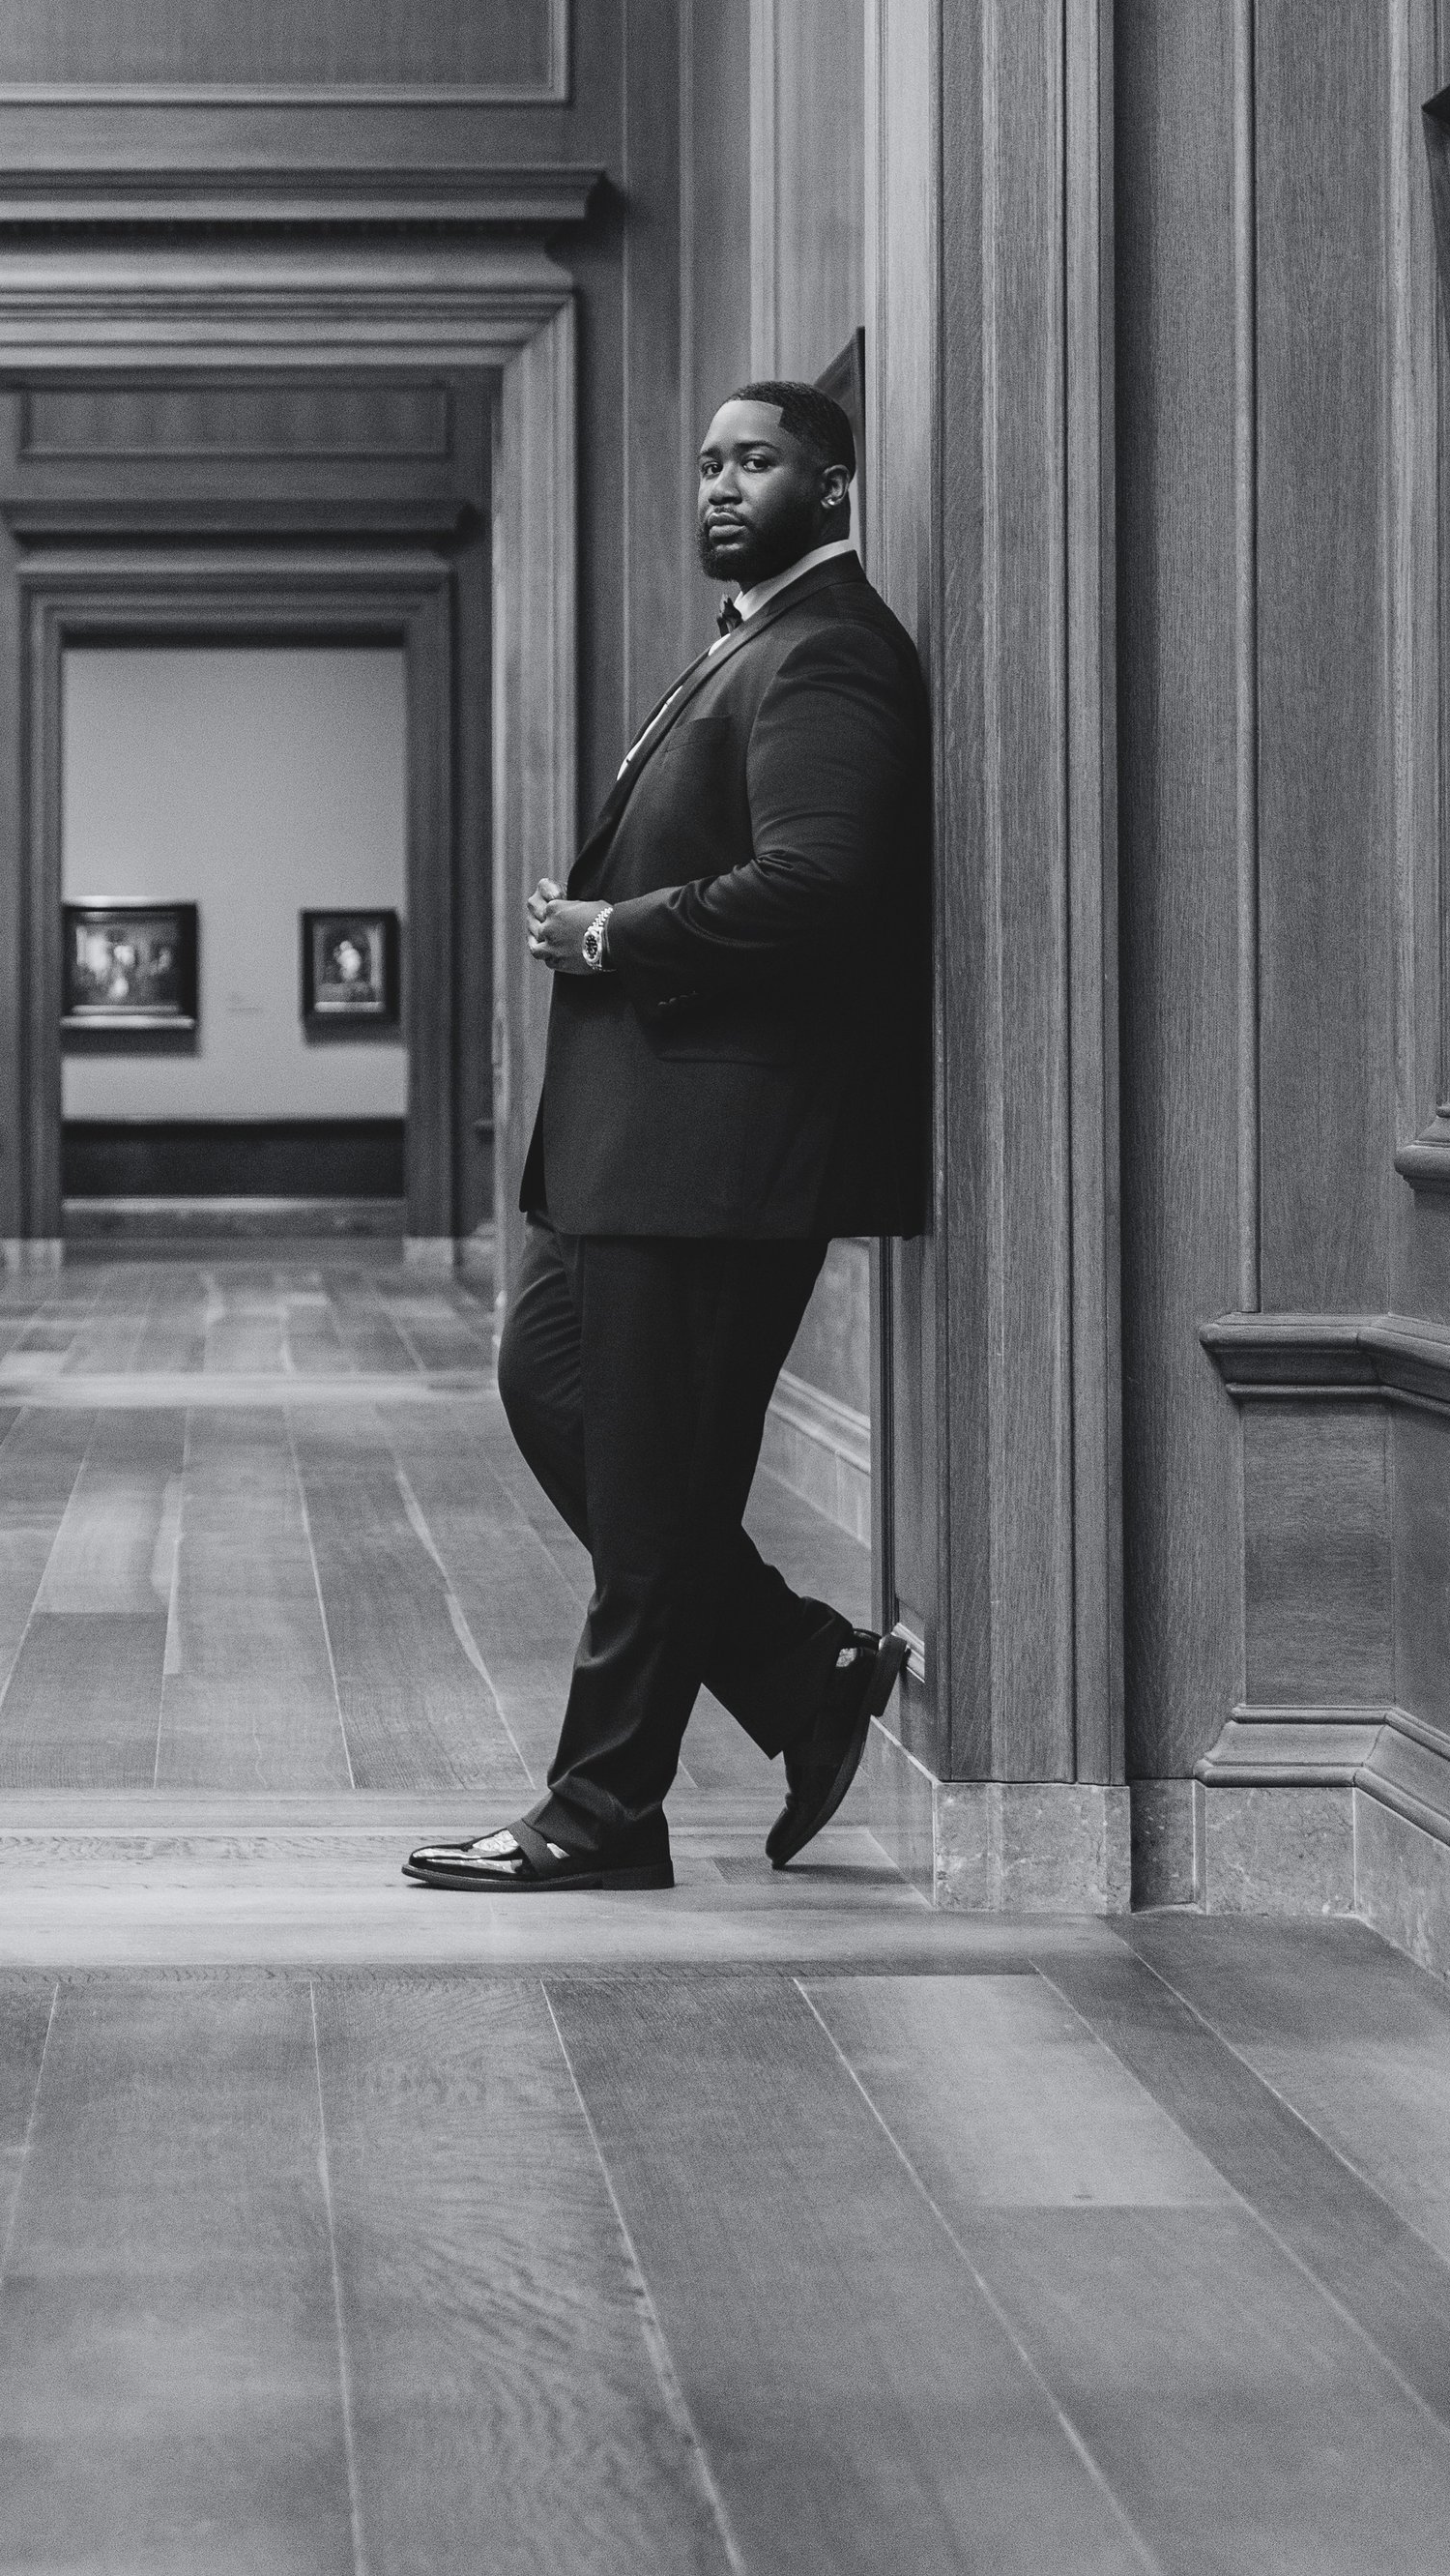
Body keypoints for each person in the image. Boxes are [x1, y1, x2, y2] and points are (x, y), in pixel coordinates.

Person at [404, 381, 930, 1892]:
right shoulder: (752, 637)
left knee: (651, 1496)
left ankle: (602, 1811)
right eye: (705, 461)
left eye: (755, 460)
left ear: (831, 483)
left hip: (721, 1153)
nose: (719, 484)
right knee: (556, 1386)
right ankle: (796, 1670)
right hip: (647, 1151)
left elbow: (821, 877)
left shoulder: (831, 651)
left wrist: (612, 931)